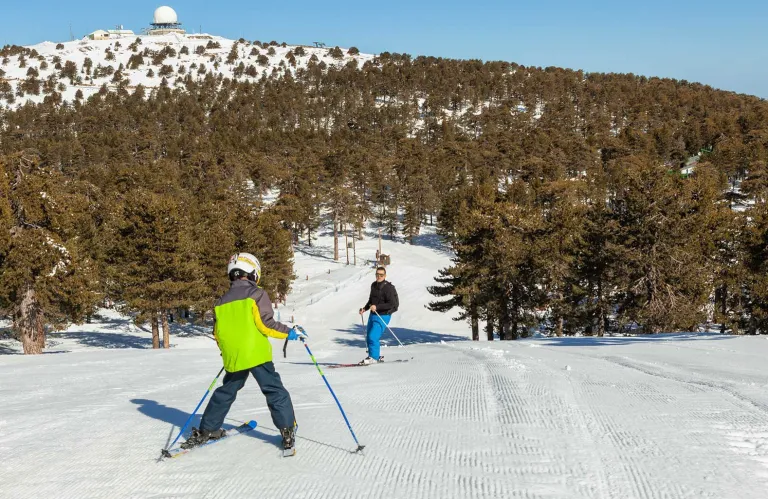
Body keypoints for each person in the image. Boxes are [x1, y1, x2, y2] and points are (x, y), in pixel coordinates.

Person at [182, 252, 307, 456]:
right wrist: (290, 332)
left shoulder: (220, 302)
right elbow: (266, 325)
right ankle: (287, 431)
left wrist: (228, 351)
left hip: (234, 355)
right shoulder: (256, 294)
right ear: (253, 272)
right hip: (256, 354)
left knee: (226, 391)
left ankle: (208, 430)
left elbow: (218, 333)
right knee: (274, 390)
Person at [358, 266, 399, 365]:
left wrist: (377, 307)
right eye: (377, 274)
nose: (379, 276)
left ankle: (373, 357)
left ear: (385, 275)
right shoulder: (373, 285)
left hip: (383, 315)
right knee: (369, 336)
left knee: (373, 336)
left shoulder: (388, 288)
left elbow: (392, 304)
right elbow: (371, 301)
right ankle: (376, 355)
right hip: (373, 315)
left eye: (381, 275)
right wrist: (365, 308)